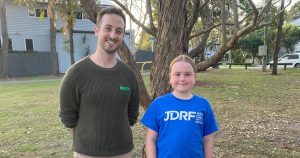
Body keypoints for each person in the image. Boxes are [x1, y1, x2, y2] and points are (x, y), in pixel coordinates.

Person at [59, 7, 140, 158]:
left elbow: (132, 116)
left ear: (122, 35)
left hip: (123, 153)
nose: (113, 35)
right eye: (108, 28)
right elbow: (68, 118)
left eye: (119, 31)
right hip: (86, 154)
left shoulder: (129, 76)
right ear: (96, 31)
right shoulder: (75, 74)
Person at [141, 55, 219, 158]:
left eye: (187, 74)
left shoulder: (203, 105)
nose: (182, 79)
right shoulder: (159, 104)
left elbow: (208, 140)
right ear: (170, 77)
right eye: (177, 74)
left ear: (194, 77)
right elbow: (151, 139)